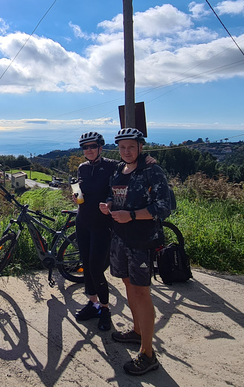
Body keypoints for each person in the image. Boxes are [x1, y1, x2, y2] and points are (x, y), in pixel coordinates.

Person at [99, 127, 175, 376]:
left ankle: (148, 354)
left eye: (131, 146)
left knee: (142, 293)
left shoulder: (151, 170)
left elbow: (164, 206)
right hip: (120, 239)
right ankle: (137, 331)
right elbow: (113, 193)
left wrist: (131, 215)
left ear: (141, 147)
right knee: (128, 285)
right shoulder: (120, 170)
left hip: (142, 241)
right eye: (122, 147)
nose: (126, 151)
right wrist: (108, 204)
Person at [72, 131, 117, 331]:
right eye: (85, 147)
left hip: (102, 224)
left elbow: (118, 189)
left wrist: (109, 202)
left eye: (92, 146)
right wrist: (75, 196)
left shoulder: (113, 166)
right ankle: (93, 303)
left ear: (100, 147)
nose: (88, 150)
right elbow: (80, 192)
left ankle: (105, 310)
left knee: (96, 269)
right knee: (86, 267)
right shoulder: (82, 168)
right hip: (83, 221)